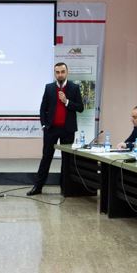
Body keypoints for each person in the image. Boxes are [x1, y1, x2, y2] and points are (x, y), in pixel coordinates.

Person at [29, 62, 84, 196]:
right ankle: (38, 187)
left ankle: (65, 188)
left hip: (67, 129)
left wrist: (66, 102)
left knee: (67, 160)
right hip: (51, 129)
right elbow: (43, 108)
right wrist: (44, 125)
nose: (60, 75)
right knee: (46, 158)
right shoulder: (49, 88)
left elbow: (80, 108)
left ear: (67, 72)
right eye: (57, 72)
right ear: (55, 74)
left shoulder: (74, 88)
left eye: (62, 72)